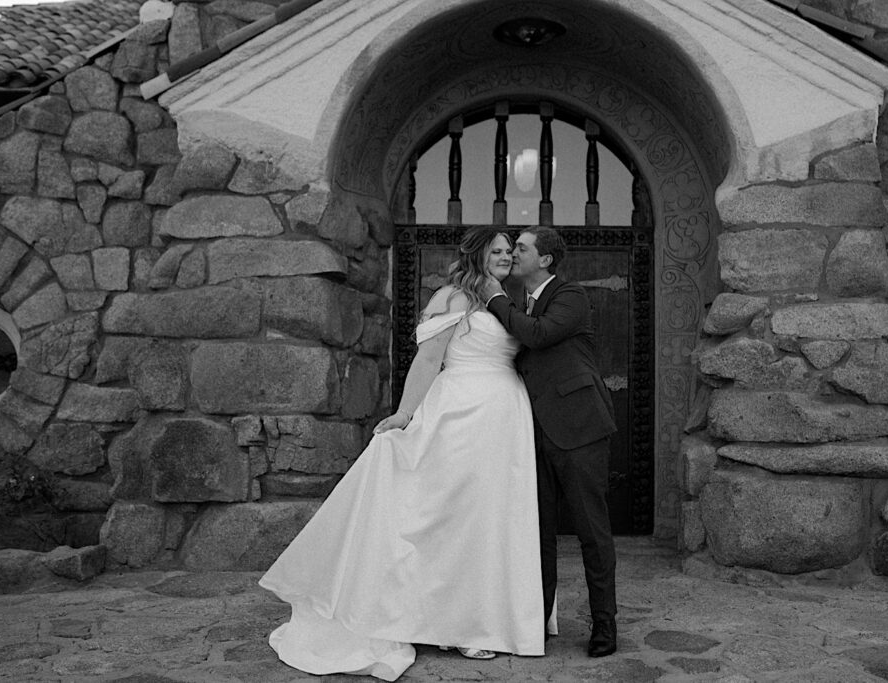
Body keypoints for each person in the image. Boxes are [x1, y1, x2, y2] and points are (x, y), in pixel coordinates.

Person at [258, 227, 545, 681]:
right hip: (461, 415)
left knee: (492, 517)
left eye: (510, 251)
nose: (506, 256)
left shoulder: (506, 300)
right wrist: (406, 413)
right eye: (496, 250)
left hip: (504, 418)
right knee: (455, 516)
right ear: (476, 254)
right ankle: (452, 621)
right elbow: (429, 360)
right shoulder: (453, 297)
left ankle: (482, 621)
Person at [483, 226, 619, 658]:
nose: (513, 254)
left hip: (580, 429)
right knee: (537, 533)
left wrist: (494, 299)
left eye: (521, 248)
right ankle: (536, 622)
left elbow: (538, 335)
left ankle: (604, 627)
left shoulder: (571, 295)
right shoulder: (520, 302)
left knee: (591, 532)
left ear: (544, 260)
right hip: (533, 434)